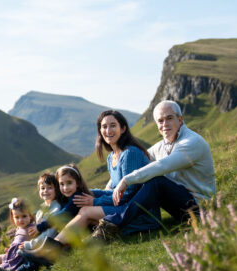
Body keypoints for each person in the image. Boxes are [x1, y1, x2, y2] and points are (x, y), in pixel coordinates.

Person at [92, 100, 215, 241]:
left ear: (180, 119)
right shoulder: (162, 146)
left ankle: (113, 224)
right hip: (178, 206)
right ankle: (112, 225)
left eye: (169, 118)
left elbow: (161, 166)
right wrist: (110, 185)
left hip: (201, 209)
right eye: (160, 121)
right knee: (150, 178)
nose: (165, 124)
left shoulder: (192, 142)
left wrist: (125, 181)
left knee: (156, 181)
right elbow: (139, 161)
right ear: (157, 125)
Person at [51, 110, 150, 245]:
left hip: (138, 212)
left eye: (113, 125)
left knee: (86, 211)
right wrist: (90, 193)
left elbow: (128, 193)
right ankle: (57, 247)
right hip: (123, 208)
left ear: (123, 128)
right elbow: (115, 191)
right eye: (104, 126)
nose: (108, 130)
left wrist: (95, 201)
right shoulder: (111, 157)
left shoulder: (130, 153)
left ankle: (52, 247)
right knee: (83, 212)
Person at [0, 164, 87, 271]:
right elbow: (37, 230)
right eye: (42, 188)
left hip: (54, 244)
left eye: (49, 188)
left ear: (56, 189)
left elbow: (50, 233)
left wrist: (30, 244)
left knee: (32, 261)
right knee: (24, 255)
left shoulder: (56, 209)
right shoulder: (42, 209)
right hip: (43, 243)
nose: (45, 191)